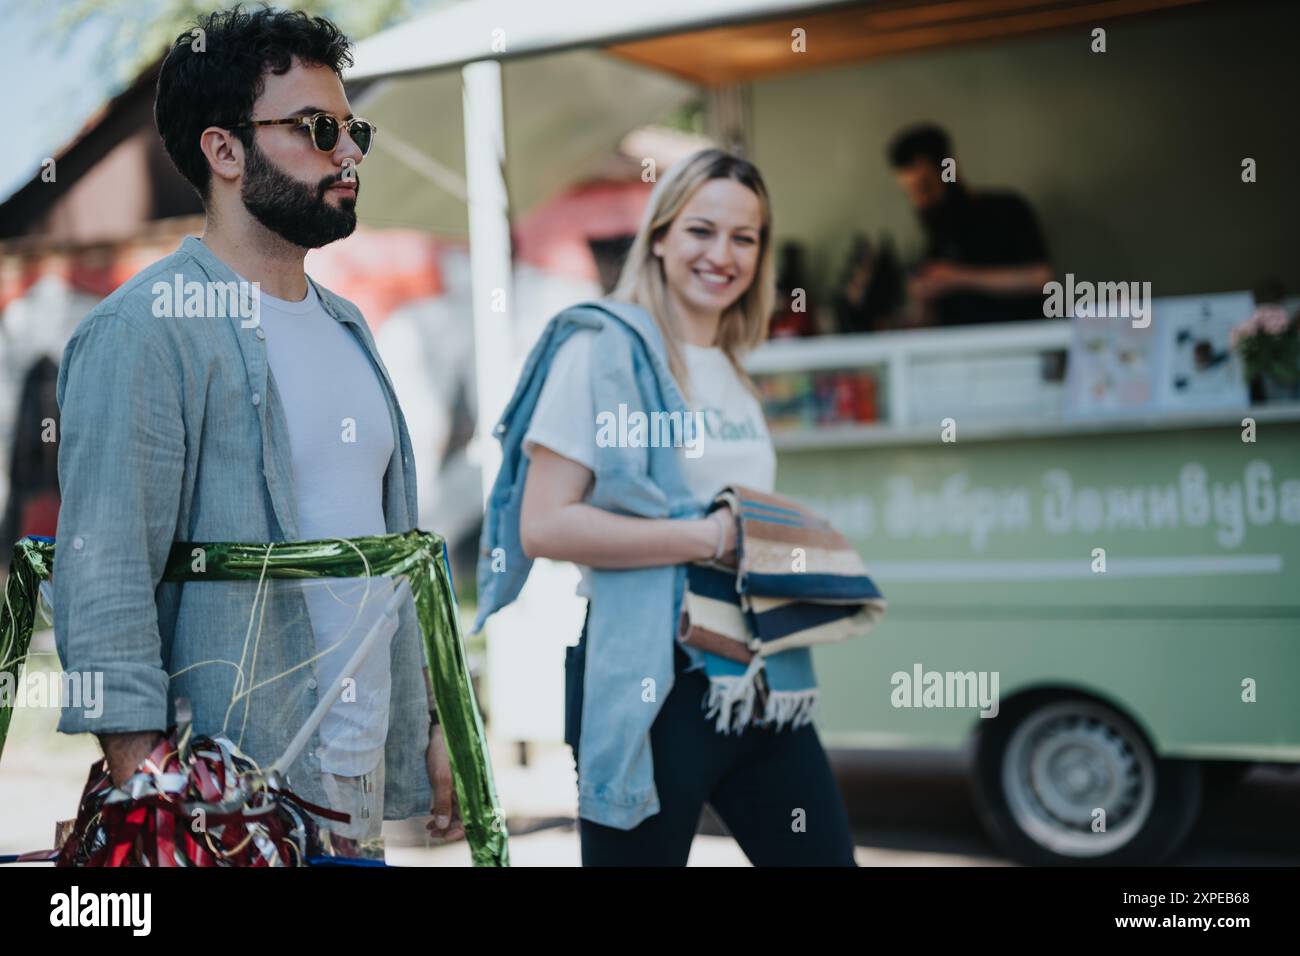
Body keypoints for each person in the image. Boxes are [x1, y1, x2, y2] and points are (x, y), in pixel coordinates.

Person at [52, 7, 462, 857]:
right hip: (228, 808)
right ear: (224, 150)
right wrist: (153, 804)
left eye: (354, 130)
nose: (348, 154)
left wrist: (429, 724)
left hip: (352, 804)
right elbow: (104, 575)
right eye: (318, 129)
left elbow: (387, 554)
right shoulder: (144, 331)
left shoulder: (350, 327)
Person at [475, 149, 856, 866]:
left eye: (745, 238)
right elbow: (545, 522)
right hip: (654, 684)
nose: (723, 255)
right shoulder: (601, 348)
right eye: (701, 231)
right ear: (659, 236)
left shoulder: (735, 366)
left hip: (760, 677)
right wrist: (707, 537)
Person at [888, 123, 1053, 326]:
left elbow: (1040, 278)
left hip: (1021, 346)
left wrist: (958, 277)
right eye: (911, 193)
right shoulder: (937, 240)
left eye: (925, 188)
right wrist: (922, 301)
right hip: (960, 354)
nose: (920, 202)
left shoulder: (1007, 210)